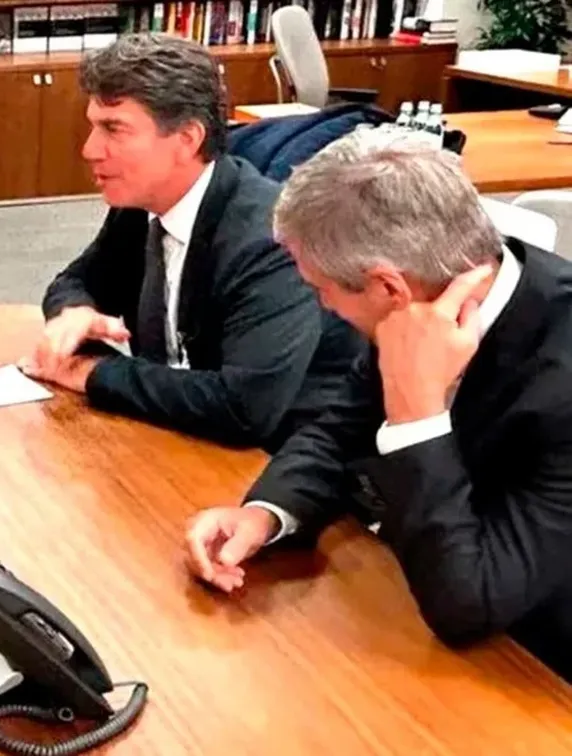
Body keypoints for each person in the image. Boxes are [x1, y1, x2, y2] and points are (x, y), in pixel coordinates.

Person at [184, 130, 572, 681]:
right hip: (426, 609)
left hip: (537, 670)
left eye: (322, 291)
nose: (321, 305)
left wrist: (418, 415)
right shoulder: (432, 290)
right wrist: (266, 513)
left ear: (389, 288)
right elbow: (341, 426)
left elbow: (468, 604)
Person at [22, 34, 363, 452]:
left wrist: (93, 373)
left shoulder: (269, 240)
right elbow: (72, 281)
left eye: (114, 129)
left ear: (187, 139)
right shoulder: (142, 201)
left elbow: (244, 409)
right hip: (181, 436)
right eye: (94, 126)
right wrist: (76, 312)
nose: (90, 149)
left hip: (283, 467)